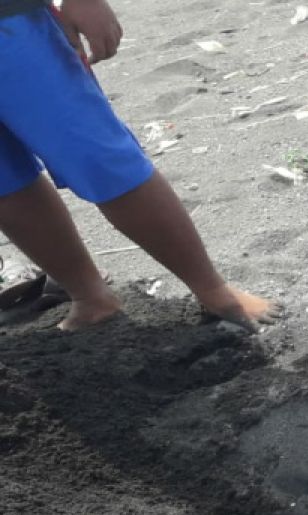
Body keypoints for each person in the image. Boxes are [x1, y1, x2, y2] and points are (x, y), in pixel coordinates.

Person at [0, 0, 280, 331]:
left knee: (98, 157)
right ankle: (89, 296)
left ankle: (213, 290)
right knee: (6, 184)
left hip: (13, 22)